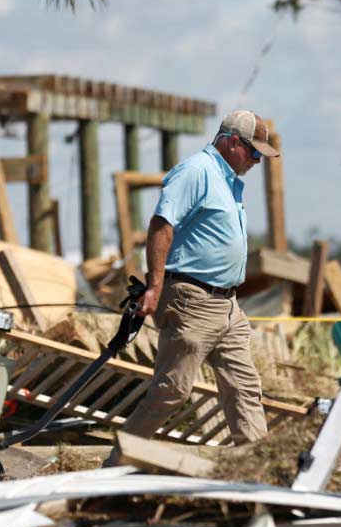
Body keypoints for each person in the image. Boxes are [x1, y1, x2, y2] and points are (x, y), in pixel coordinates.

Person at [104, 110, 280, 464]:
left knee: (244, 389)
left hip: (226, 305)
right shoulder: (197, 171)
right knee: (171, 391)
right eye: (254, 152)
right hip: (192, 301)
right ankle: (114, 466)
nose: (257, 160)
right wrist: (154, 288)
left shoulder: (228, 180)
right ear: (233, 143)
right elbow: (161, 226)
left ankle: (257, 472)